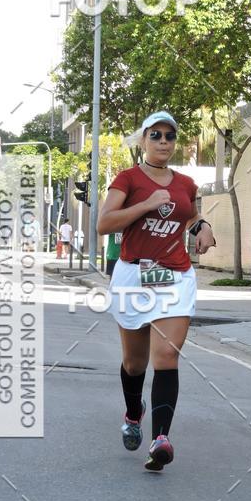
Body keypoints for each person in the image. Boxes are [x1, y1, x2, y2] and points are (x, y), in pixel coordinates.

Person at [97, 111, 216, 472]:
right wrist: (146, 205)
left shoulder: (185, 182)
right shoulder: (128, 178)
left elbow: (190, 215)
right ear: (144, 140)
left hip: (174, 276)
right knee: (135, 363)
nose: (164, 141)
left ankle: (160, 439)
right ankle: (134, 413)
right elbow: (104, 224)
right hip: (134, 276)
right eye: (156, 135)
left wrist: (203, 227)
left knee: (166, 356)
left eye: (169, 136)